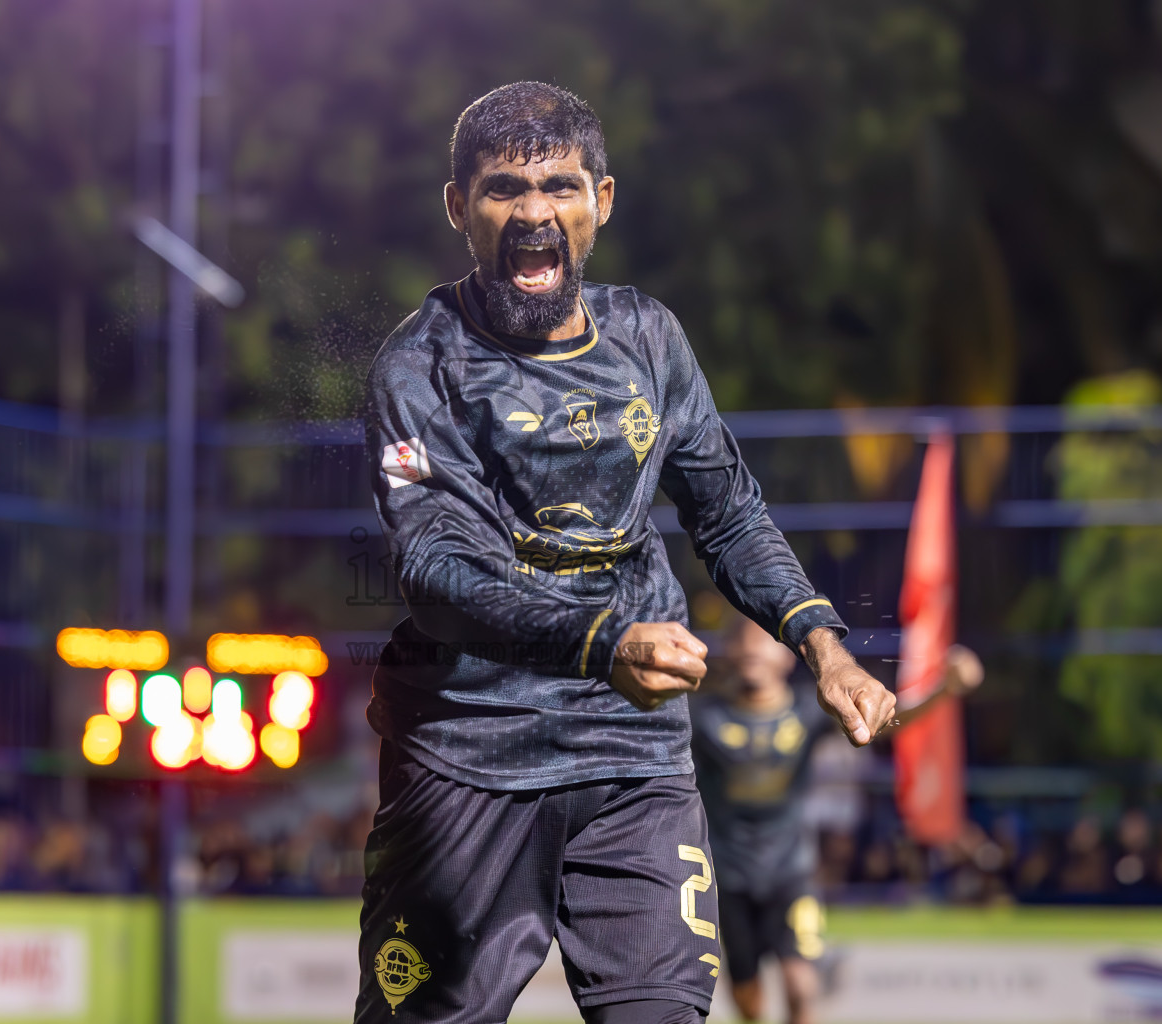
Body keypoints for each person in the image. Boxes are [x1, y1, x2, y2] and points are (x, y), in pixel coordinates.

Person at [359, 81, 897, 1024]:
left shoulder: (649, 338)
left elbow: (726, 513)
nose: (534, 213)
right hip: (469, 753)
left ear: (601, 202)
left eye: (560, 186)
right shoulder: (420, 365)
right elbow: (437, 574)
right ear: (459, 208)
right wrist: (605, 644)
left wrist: (822, 643)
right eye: (502, 190)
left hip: (633, 757)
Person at [693, 622, 983, 1023]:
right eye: (743, 645)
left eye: (762, 645)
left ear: (783, 656)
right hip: (728, 875)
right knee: (746, 991)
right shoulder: (703, 717)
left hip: (791, 872)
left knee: (799, 982)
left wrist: (944, 690)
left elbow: (884, 724)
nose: (752, 654)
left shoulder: (804, 712)